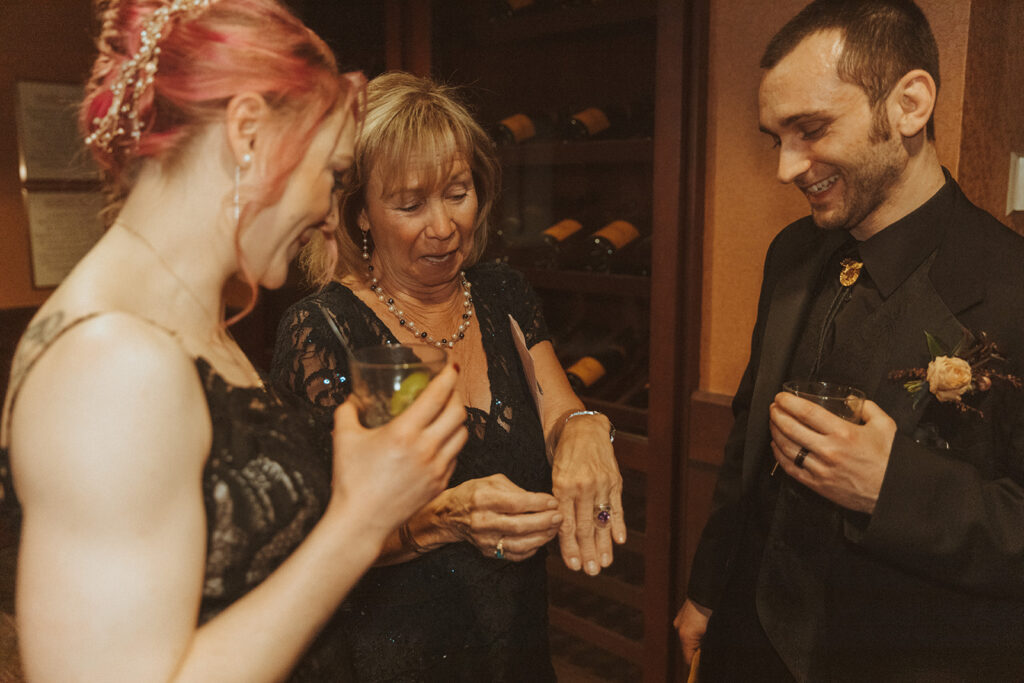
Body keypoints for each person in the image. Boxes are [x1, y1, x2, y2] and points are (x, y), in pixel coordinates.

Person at [0, 2, 466, 680]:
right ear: (248, 132)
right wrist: (360, 518)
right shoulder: (109, 366)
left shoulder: (188, 326)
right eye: (332, 177)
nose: (330, 218)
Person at [674, 1, 1024, 681]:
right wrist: (706, 589)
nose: (785, 166)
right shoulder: (792, 253)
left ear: (910, 104)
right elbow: (748, 433)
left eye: (810, 129)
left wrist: (891, 486)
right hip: (748, 643)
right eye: (776, 137)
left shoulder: (1012, 285)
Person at [270, 71, 626, 680]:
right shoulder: (327, 332)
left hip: (515, 652)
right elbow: (311, 546)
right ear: (359, 213)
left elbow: (560, 414)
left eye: (457, 193)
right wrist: (443, 520)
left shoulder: (503, 293)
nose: (443, 227)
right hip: (387, 659)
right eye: (410, 204)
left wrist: (587, 430)